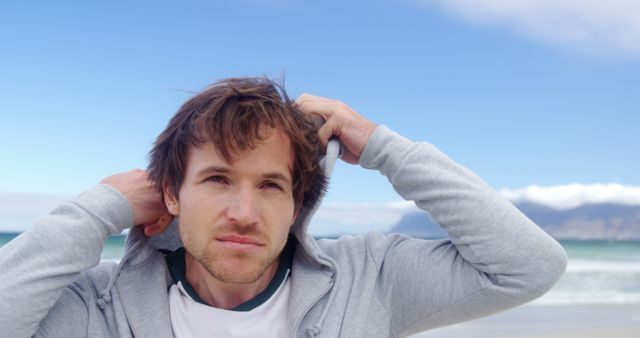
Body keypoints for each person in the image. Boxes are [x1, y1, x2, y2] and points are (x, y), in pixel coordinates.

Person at [0, 77, 567, 338]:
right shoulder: (94, 305)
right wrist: (100, 208)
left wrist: (384, 147)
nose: (244, 212)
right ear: (171, 192)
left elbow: (529, 267)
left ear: (298, 203)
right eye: (218, 178)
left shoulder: (368, 281)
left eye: (271, 185)